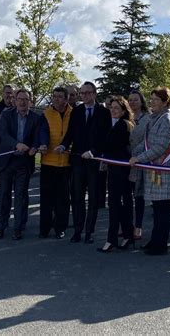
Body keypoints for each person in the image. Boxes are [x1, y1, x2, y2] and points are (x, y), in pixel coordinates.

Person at [57, 81, 112, 244]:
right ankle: (78, 230)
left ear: (95, 94)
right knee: (77, 197)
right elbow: (70, 133)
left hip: (94, 161)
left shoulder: (103, 112)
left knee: (94, 198)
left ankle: (89, 231)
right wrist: (63, 144)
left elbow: (105, 136)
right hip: (78, 159)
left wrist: (94, 152)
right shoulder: (77, 111)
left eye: (88, 93)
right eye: (82, 93)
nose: (85, 96)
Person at [130, 87, 170, 255]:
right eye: (151, 99)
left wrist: (138, 159)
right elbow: (147, 143)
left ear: (165, 102)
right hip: (155, 168)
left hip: (163, 169)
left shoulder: (167, 119)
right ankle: (155, 240)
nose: (152, 102)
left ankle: (160, 245)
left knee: (162, 208)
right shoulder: (155, 118)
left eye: (156, 99)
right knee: (157, 209)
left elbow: (159, 147)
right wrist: (131, 153)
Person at [0, 89, 40, 240]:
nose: (22, 102)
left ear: (30, 102)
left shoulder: (35, 118)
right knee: (4, 195)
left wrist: (34, 146)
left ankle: (18, 227)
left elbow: (37, 137)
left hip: (24, 162)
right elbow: (3, 134)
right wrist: (16, 144)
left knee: (21, 195)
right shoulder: (6, 115)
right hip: (7, 160)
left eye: (26, 99)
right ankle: (1, 226)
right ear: (14, 100)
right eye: (19, 99)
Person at [97, 96, 135, 252]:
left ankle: (112, 239)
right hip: (117, 168)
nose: (113, 110)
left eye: (116, 108)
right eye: (111, 107)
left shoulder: (123, 125)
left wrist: (93, 151)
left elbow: (109, 145)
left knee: (115, 203)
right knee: (122, 203)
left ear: (124, 110)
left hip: (120, 169)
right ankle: (127, 235)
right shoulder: (119, 124)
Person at [38, 87, 72, 239]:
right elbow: (43, 131)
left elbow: (73, 133)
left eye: (60, 96)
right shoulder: (46, 113)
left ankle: (60, 227)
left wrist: (66, 145)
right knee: (46, 198)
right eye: (54, 96)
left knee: (63, 199)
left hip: (66, 163)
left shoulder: (74, 113)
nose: (56, 99)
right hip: (48, 162)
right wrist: (43, 144)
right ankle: (44, 228)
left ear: (66, 99)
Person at [128, 90, 151, 240]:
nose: (132, 102)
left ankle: (138, 226)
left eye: (135, 100)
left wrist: (136, 153)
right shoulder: (126, 117)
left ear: (141, 101)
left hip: (140, 160)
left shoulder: (148, 119)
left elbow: (148, 139)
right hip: (125, 160)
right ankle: (126, 225)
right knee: (126, 195)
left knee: (139, 195)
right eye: (130, 100)